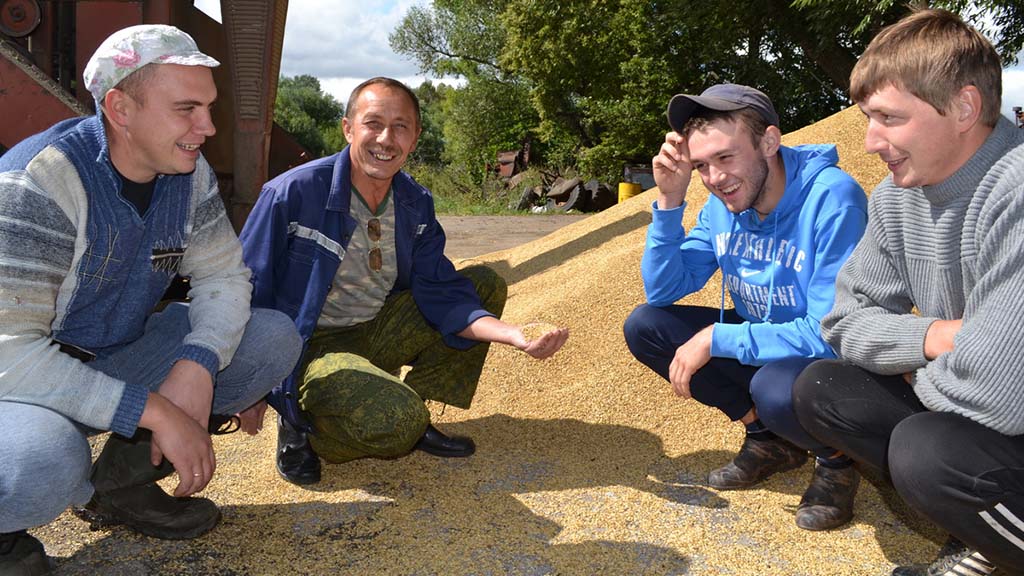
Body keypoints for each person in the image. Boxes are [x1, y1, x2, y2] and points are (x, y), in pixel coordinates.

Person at [0, 25, 301, 574]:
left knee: (270, 338)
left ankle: (122, 484)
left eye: (209, 107)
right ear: (119, 107)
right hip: (16, 384)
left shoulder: (187, 175)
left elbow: (224, 279)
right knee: (40, 462)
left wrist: (200, 362)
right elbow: (10, 355)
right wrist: (153, 409)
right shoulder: (37, 184)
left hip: (110, 357)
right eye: (187, 108)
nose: (207, 128)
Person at [239, 77, 569, 486]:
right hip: (309, 345)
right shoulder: (292, 193)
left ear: (415, 138)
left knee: (483, 283)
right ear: (348, 129)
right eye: (373, 123)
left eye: (400, 127)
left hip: (376, 329)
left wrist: (515, 336)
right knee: (396, 423)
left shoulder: (415, 202)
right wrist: (254, 386)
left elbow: (441, 292)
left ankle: (418, 411)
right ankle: (302, 427)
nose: (385, 138)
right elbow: (249, 288)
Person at [792, 9, 1024, 576]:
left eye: (888, 119)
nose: (870, 142)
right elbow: (843, 322)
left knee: (927, 453)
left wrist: (908, 361)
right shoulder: (896, 199)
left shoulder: (1016, 190)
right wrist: (936, 337)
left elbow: (997, 395)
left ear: (964, 108)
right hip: (989, 410)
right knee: (823, 387)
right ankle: (984, 537)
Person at [623, 84, 867, 531]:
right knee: (645, 326)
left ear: (769, 142)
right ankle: (768, 439)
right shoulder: (721, 207)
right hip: (765, 336)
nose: (715, 179)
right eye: (701, 166)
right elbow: (662, 290)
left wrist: (718, 337)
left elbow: (831, 332)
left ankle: (837, 462)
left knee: (773, 387)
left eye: (726, 157)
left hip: (826, 356)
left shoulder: (833, 198)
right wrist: (670, 202)